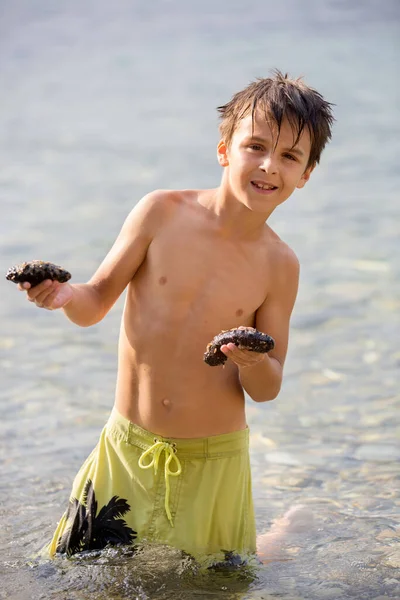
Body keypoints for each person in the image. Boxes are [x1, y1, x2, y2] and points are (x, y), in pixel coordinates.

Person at [18, 70, 334, 561]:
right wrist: (62, 296)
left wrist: (251, 361)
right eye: (256, 146)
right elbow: (94, 302)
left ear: (305, 175)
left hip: (214, 461)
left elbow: (268, 388)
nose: (270, 165)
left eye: (290, 156)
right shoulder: (160, 213)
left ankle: (283, 536)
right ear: (224, 148)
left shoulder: (280, 265)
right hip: (126, 448)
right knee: (65, 573)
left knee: (219, 584)